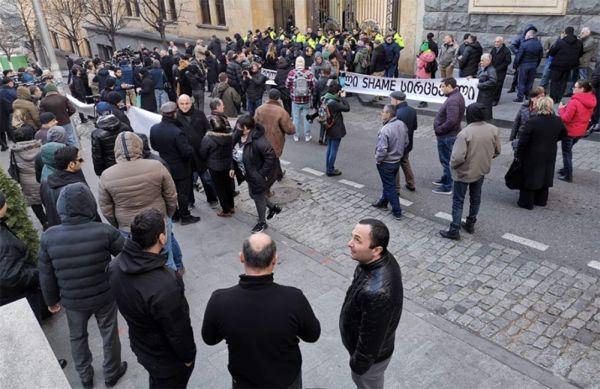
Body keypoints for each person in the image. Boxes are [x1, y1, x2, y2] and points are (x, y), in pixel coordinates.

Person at [202, 232, 320, 389]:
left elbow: (209, 339)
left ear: (242, 257)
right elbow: (312, 335)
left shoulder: (219, 300)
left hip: (245, 382)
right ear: (274, 260)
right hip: (286, 380)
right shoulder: (293, 298)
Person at [39, 183, 127, 389]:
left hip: (72, 301)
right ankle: (112, 373)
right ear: (89, 205)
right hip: (104, 295)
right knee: (109, 333)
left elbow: (46, 273)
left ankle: (85, 377)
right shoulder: (104, 231)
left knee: (77, 337)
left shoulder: (49, 237)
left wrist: (51, 300)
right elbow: (126, 256)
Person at [108, 209, 196, 388]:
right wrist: (188, 356)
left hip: (142, 345)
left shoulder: (115, 265)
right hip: (166, 359)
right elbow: (178, 329)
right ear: (162, 238)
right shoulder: (165, 283)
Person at [98, 131, 183, 272]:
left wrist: (119, 224)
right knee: (166, 258)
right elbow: (171, 195)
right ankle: (174, 281)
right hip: (158, 220)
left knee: (138, 259)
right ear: (139, 145)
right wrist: (168, 215)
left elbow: (106, 207)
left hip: (128, 226)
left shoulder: (107, 175)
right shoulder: (156, 166)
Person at [340, 219, 403, 389]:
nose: (349, 243)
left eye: (357, 240)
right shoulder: (376, 260)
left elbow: (370, 343)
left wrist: (357, 365)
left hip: (370, 362)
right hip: (372, 352)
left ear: (376, 250)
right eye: (352, 236)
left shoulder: (377, 293)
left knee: (366, 384)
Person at [439, 103, 501, 240]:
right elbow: (497, 151)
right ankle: (470, 223)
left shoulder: (465, 133)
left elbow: (457, 157)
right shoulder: (493, 129)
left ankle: (454, 229)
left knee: (458, 201)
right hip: (481, 171)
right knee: (475, 198)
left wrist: (452, 166)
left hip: (464, 173)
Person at [0, 190, 48, 321]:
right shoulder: (4, 242)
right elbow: (10, 277)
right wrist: (36, 273)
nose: (7, 203)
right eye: (4, 202)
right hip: (19, 299)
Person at [150, 102, 200, 225]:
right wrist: (191, 148)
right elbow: (186, 152)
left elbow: (154, 146)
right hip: (181, 168)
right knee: (182, 193)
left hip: (165, 166)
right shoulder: (177, 132)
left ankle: (175, 214)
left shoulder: (154, 128)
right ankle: (185, 216)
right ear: (174, 114)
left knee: (169, 192)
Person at [515, 96, 567, 209]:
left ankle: (526, 202)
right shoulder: (557, 120)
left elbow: (523, 140)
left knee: (530, 176)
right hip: (549, 151)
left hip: (532, 152)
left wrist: (519, 153)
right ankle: (541, 200)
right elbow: (563, 134)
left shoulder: (533, 121)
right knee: (545, 174)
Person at [231, 115, 279, 233]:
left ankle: (262, 223)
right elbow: (231, 151)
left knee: (257, 197)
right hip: (248, 174)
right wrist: (232, 167)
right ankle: (273, 207)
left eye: (239, 126)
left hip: (257, 176)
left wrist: (260, 174)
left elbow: (271, 157)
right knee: (253, 195)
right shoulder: (237, 136)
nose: (236, 128)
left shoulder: (259, 141)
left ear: (247, 128)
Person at [176, 94, 219, 208]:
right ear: (178, 104)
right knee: (188, 181)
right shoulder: (175, 117)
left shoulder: (199, 114)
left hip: (201, 154)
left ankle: (212, 198)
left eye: (187, 103)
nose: (185, 106)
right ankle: (190, 201)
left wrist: (206, 146)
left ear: (191, 103)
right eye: (182, 104)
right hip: (186, 156)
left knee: (206, 178)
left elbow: (208, 130)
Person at [40, 146, 97, 227]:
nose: (82, 161)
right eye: (80, 160)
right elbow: (90, 212)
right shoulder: (76, 188)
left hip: (57, 229)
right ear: (71, 164)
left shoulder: (45, 183)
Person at [371, 104, 409, 220]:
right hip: (396, 161)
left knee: (390, 186)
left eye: (383, 111)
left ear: (388, 114)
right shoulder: (402, 124)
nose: (381, 113)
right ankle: (383, 201)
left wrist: (378, 160)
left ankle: (397, 211)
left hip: (386, 163)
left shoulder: (385, 130)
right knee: (389, 183)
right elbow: (406, 142)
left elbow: (382, 149)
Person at [200, 100, 235, 217]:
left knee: (219, 188)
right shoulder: (229, 137)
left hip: (214, 167)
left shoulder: (208, 139)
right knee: (228, 186)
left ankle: (225, 210)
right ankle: (231, 206)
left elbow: (203, 153)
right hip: (227, 165)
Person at [557, 79, 597, 182]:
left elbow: (565, 118)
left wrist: (561, 109)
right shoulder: (592, 99)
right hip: (580, 131)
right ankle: (566, 169)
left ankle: (568, 176)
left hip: (570, 132)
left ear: (582, 89)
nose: (573, 88)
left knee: (567, 153)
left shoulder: (574, 101)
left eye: (575, 87)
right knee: (569, 150)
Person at [254, 88, 296, 181]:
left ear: (268, 96)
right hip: (275, 141)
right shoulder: (281, 111)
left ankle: (279, 174)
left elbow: (254, 124)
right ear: (278, 98)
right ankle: (269, 181)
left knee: (270, 158)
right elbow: (290, 130)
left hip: (261, 139)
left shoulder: (259, 109)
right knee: (272, 158)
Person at [433, 78, 465, 195]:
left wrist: (439, 129)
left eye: (442, 86)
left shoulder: (453, 100)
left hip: (447, 136)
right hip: (448, 135)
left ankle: (447, 186)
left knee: (447, 161)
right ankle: (446, 178)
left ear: (449, 86)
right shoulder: (455, 96)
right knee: (446, 160)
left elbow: (452, 121)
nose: (441, 89)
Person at [9, 127, 46, 226]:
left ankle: (44, 222)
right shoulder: (41, 147)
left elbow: (13, 166)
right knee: (48, 199)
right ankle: (53, 219)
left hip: (27, 182)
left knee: (34, 203)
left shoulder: (14, 151)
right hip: (43, 178)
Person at [390, 91, 417, 192]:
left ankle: (396, 189)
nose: (391, 101)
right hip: (408, 144)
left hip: (397, 145)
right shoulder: (412, 110)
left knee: (395, 165)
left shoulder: (396, 113)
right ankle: (411, 183)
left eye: (392, 99)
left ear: (396, 100)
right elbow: (415, 127)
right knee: (405, 162)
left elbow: (393, 132)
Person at [547, 27, 583, 103]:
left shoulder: (560, 41)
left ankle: (553, 98)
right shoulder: (579, 42)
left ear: (565, 33)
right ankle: (559, 98)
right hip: (569, 66)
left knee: (554, 82)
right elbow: (580, 54)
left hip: (557, 65)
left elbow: (551, 52)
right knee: (563, 82)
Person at [322, 81, 350, 177]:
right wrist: (343, 97)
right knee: (333, 149)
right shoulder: (334, 102)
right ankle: (330, 169)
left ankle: (328, 167)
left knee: (329, 148)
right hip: (336, 128)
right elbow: (347, 108)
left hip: (328, 126)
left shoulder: (326, 98)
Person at [286, 56, 315, 142]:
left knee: (296, 118)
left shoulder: (291, 73)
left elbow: (287, 85)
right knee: (306, 118)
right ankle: (307, 135)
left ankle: (296, 135)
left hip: (295, 99)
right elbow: (313, 85)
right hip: (306, 99)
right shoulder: (309, 73)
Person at [513, 30, 543, 103]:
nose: (525, 37)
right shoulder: (539, 44)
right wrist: (536, 64)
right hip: (533, 65)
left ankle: (520, 97)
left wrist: (515, 66)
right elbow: (540, 56)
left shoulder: (524, 44)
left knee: (521, 82)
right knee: (530, 82)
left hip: (524, 65)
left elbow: (518, 56)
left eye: (526, 35)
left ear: (530, 36)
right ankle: (527, 96)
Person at [475, 54, 497, 121]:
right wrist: (472, 77)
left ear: (488, 61)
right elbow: (479, 77)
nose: (480, 62)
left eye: (482, 60)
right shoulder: (483, 68)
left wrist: (480, 85)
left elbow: (493, 81)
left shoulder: (491, 70)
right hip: (482, 94)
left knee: (486, 112)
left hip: (486, 95)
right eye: (480, 60)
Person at [490, 36, 512, 106]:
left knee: (498, 86)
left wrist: (499, 68)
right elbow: (490, 57)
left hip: (501, 71)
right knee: (492, 84)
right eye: (495, 42)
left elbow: (507, 61)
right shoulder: (493, 49)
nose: (496, 43)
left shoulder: (506, 51)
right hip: (492, 70)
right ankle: (491, 98)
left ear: (502, 42)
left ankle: (495, 99)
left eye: (498, 42)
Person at [0, 77, 17, 150]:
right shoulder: (10, 91)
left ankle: (4, 144)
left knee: (2, 129)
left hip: (4, 112)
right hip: (7, 111)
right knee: (9, 126)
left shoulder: (1, 91)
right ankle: (11, 140)